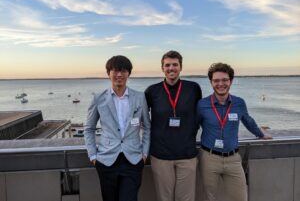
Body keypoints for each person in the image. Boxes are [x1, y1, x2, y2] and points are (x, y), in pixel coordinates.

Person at [197, 62, 272, 201]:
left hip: (233, 159)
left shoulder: (239, 103)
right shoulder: (202, 104)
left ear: (231, 81)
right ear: (211, 82)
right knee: (209, 198)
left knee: (240, 197)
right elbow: (193, 126)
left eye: (225, 80)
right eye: (216, 80)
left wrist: (261, 134)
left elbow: (248, 121)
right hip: (209, 158)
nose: (221, 84)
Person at [84, 55, 151, 201]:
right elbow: (89, 128)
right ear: (109, 73)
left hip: (133, 160)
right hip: (106, 160)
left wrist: (144, 154)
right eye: (115, 71)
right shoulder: (98, 98)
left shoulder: (140, 97)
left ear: (128, 74)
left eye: (123, 71)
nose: (119, 74)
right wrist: (93, 156)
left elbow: (147, 127)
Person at [145, 50, 202, 201]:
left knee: (186, 199)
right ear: (162, 68)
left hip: (187, 154)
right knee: (164, 198)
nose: (171, 68)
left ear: (181, 67)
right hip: (161, 155)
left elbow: (198, 116)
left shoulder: (193, 88)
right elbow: (143, 120)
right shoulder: (152, 91)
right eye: (167, 65)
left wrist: (189, 133)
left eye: (175, 65)